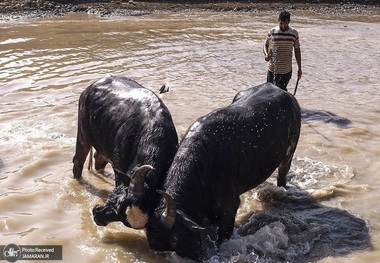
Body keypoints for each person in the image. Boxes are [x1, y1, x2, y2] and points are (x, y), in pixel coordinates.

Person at [263, 11, 302, 91]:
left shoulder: (294, 33)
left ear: (289, 22)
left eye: (285, 23)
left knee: (281, 92)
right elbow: (266, 45)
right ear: (278, 20)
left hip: (286, 71)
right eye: (281, 23)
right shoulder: (272, 32)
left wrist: (299, 68)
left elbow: (297, 50)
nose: (283, 26)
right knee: (269, 93)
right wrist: (266, 54)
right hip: (272, 69)